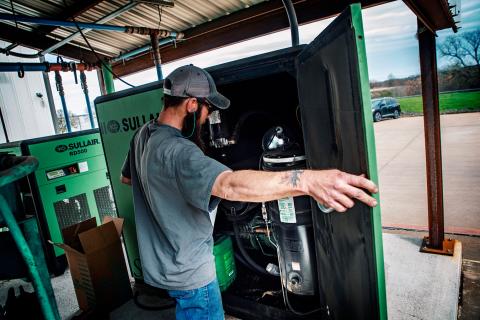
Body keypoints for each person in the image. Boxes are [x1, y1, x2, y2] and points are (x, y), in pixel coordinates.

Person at [121, 65, 378, 320]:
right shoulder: (179, 151)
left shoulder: (142, 135)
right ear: (191, 104)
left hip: (161, 267)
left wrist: (168, 194)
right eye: (206, 109)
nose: (205, 118)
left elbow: (127, 178)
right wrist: (307, 181)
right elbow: (229, 185)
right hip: (190, 271)